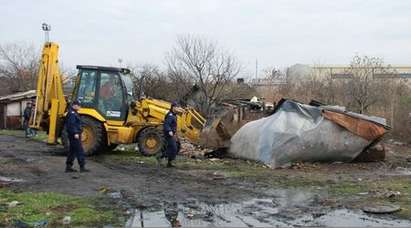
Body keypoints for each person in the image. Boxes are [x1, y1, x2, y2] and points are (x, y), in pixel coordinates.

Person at [65, 100, 90, 173]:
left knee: (72, 151)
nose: (80, 107)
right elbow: (72, 124)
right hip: (74, 135)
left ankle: (68, 167)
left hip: (74, 134)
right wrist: (75, 133)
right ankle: (82, 167)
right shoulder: (72, 114)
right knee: (80, 150)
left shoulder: (74, 113)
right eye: (79, 106)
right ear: (75, 105)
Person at [161, 101, 180, 168]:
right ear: (173, 107)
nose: (178, 108)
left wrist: (175, 133)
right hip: (168, 134)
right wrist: (169, 131)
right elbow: (166, 124)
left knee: (177, 146)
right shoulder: (170, 115)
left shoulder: (174, 115)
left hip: (172, 133)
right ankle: (161, 156)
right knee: (173, 147)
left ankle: (169, 162)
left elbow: (174, 125)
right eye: (177, 107)